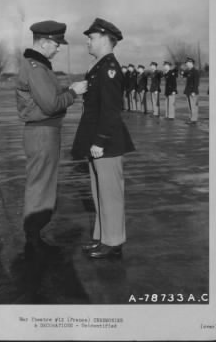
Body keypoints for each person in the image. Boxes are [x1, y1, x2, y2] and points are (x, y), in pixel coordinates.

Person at [15, 20, 87, 251]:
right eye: (56, 44)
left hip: (45, 131)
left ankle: (34, 234)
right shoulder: (36, 67)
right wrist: (73, 93)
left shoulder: (38, 66)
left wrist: (67, 91)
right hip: (43, 132)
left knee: (43, 183)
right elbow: (51, 104)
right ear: (45, 42)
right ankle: (33, 238)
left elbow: (49, 100)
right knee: (41, 184)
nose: (58, 48)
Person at [72, 18, 135, 259]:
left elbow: (111, 109)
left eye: (92, 37)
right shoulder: (97, 66)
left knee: (110, 194)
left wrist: (99, 140)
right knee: (99, 192)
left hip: (105, 142)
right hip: (96, 141)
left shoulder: (108, 68)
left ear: (107, 39)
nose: (88, 41)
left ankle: (114, 241)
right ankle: (102, 237)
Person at [182, 57, 200, 125]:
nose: (187, 64)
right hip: (188, 91)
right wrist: (184, 72)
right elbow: (183, 75)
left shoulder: (195, 71)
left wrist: (194, 91)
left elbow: (196, 82)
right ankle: (191, 118)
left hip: (193, 91)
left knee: (193, 106)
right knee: (189, 106)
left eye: (188, 63)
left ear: (191, 63)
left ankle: (194, 120)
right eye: (186, 63)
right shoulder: (189, 71)